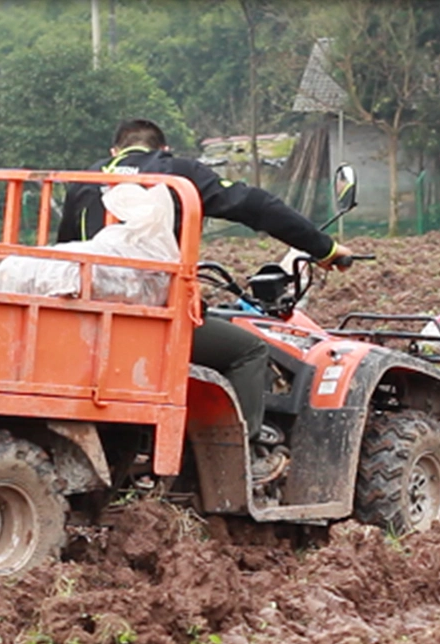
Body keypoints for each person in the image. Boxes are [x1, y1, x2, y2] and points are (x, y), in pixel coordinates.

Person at [57, 118, 353, 485]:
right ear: (162, 150)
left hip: (91, 318)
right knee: (250, 353)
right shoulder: (176, 174)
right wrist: (325, 248)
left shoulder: (84, 182)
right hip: (154, 319)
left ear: (114, 153)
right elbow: (256, 206)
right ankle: (242, 460)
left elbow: (66, 250)